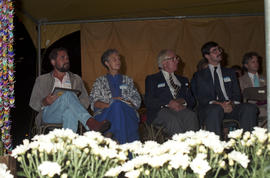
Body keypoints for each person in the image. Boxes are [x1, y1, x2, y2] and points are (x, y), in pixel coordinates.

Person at [29, 47, 110, 133]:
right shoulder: (42, 80)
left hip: (71, 114)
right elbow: (33, 102)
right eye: (62, 57)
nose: (66, 60)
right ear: (53, 62)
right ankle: (90, 122)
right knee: (68, 94)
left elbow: (86, 100)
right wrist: (45, 102)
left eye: (67, 58)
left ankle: (67, 143)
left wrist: (73, 105)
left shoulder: (76, 79)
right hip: (49, 115)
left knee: (70, 112)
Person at [191, 41, 257, 137]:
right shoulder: (199, 76)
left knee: (249, 108)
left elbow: (237, 95)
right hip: (211, 108)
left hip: (230, 106)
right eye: (215, 51)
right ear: (207, 56)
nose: (219, 52)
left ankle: (248, 145)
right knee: (215, 110)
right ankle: (215, 147)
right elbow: (202, 98)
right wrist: (220, 105)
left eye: (219, 49)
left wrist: (232, 104)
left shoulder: (230, 72)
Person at [89, 49, 141, 144]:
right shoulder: (99, 81)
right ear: (107, 63)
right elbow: (94, 102)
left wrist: (123, 103)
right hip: (105, 114)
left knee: (118, 105)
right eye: (114, 59)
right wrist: (111, 104)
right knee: (116, 105)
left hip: (127, 113)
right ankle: (120, 142)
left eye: (119, 59)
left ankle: (110, 135)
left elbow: (137, 101)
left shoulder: (128, 80)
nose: (118, 61)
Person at [144, 49, 199, 136]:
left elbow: (192, 101)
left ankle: (192, 146)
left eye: (177, 58)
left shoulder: (183, 80)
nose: (177, 61)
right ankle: (179, 148)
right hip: (161, 111)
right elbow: (149, 101)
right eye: (174, 59)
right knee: (172, 118)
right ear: (164, 63)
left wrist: (183, 102)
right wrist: (168, 103)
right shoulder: (152, 79)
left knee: (191, 116)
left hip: (181, 110)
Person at [239, 52, 266, 119]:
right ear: (246, 65)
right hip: (251, 108)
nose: (256, 64)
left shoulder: (266, 78)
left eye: (257, 61)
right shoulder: (240, 80)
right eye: (253, 62)